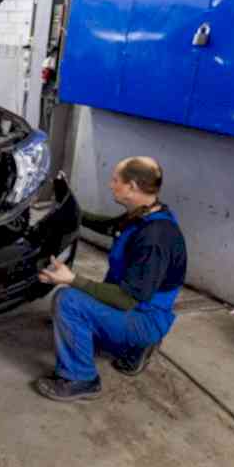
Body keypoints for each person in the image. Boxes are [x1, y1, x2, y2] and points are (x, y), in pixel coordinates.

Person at [34, 157, 187, 402]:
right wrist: (71, 210)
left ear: (132, 186)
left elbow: (126, 300)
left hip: (144, 317)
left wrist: (71, 279)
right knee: (80, 307)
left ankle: (81, 379)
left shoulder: (154, 239)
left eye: (116, 180)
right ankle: (133, 349)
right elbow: (107, 225)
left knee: (68, 300)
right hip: (140, 309)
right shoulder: (146, 214)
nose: (110, 184)